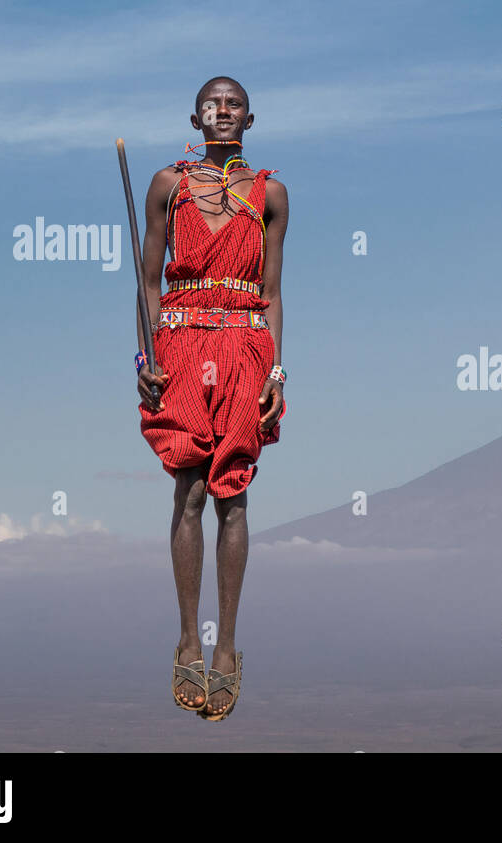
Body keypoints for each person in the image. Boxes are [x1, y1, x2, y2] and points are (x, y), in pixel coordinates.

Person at [134, 76, 289, 721]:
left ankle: (226, 646)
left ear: (250, 120)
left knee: (234, 493)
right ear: (195, 119)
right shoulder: (167, 186)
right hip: (181, 339)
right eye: (211, 105)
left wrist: (275, 372)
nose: (222, 113)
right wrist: (144, 356)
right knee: (189, 490)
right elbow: (146, 280)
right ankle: (184, 640)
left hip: (245, 344)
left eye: (233, 106)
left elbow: (273, 291)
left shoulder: (271, 195)